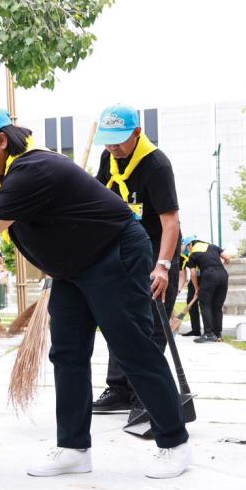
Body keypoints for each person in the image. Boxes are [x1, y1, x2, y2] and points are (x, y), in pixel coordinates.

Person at [0, 105, 191, 479]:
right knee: (67, 353)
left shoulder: (33, 170)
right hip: (72, 270)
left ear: (1, 140)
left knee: (132, 347)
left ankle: (174, 442)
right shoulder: (3, 184)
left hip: (114, 254)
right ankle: (73, 447)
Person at [90, 104, 182, 418]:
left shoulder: (156, 164)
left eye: (119, 138)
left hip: (158, 248)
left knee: (153, 324)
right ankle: (119, 388)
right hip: (125, 245)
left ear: (138, 132)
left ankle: (147, 393)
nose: (113, 146)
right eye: (108, 139)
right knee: (119, 319)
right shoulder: (108, 158)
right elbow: (98, 200)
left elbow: (171, 223)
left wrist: (163, 266)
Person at [180, 237, 230, 343]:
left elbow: (193, 274)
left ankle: (208, 334)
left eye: (187, 248)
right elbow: (227, 257)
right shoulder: (213, 246)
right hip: (223, 275)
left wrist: (197, 288)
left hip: (209, 275)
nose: (188, 250)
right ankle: (217, 334)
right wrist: (222, 265)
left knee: (205, 304)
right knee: (217, 306)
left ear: (190, 245)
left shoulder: (193, 254)